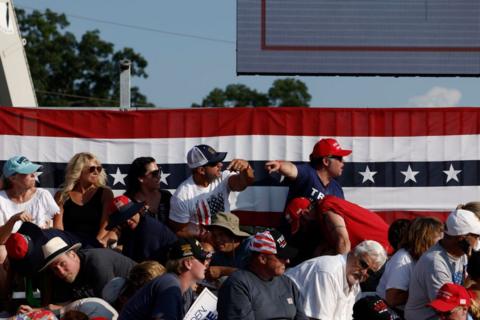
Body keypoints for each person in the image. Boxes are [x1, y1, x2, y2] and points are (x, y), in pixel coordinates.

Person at [405, 208, 480, 320]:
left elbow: (462, 290)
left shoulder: (462, 253)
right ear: (463, 239)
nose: (478, 240)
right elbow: (450, 309)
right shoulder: (435, 263)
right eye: (476, 236)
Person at [217, 230, 307, 320]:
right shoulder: (237, 285)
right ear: (262, 259)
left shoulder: (288, 283)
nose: (287, 261)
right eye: (281, 256)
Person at [285, 240, 387, 320]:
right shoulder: (328, 272)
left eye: (370, 272)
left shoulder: (355, 287)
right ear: (352, 253)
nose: (364, 272)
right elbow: (316, 318)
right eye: (363, 264)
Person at [169, 144, 254, 238]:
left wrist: (246, 168)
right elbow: (180, 230)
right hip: (205, 241)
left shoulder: (223, 177)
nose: (220, 165)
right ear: (201, 170)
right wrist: (207, 236)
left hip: (228, 234)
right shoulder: (182, 196)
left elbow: (244, 183)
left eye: (219, 161)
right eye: (215, 163)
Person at [119, 238, 210, 320]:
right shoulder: (170, 284)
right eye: (202, 258)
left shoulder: (182, 289)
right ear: (188, 263)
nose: (206, 263)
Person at [376, 217, 444, 312]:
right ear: (426, 238)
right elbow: (392, 299)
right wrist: (422, 290)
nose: (442, 241)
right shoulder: (403, 258)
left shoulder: (426, 257)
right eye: (438, 238)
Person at [39, 236, 136, 300]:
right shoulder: (69, 272)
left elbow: (107, 301)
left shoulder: (97, 263)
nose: (61, 272)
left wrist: (63, 309)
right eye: (55, 269)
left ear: (72, 255)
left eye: (63, 264)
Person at [53, 152, 114, 247]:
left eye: (99, 169)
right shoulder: (61, 195)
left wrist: (94, 245)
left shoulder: (105, 193)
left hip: (95, 246)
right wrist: (66, 249)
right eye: (92, 169)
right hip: (69, 246)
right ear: (79, 170)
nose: (96, 172)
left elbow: (106, 224)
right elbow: (58, 228)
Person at [265, 137, 351, 203]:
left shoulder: (337, 189)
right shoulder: (307, 172)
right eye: (339, 158)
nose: (343, 162)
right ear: (326, 161)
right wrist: (280, 165)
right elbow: (292, 169)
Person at [105, 195, 177, 264]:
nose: (127, 221)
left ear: (136, 211)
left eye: (130, 215)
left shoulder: (148, 229)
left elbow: (149, 265)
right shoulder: (128, 228)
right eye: (122, 219)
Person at [124, 157, 172, 224]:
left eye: (158, 172)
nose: (159, 176)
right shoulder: (128, 202)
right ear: (141, 178)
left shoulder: (166, 196)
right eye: (154, 173)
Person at [206, 211, 251, 281]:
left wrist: (222, 271)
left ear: (233, 234)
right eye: (214, 235)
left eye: (221, 234)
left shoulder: (251, 246)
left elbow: (256, 276)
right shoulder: (218, 256)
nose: (217, 239)